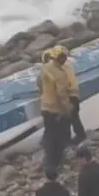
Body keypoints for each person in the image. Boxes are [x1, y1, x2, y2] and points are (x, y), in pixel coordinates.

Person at [37, 46, 73, 175]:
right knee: (59, 136)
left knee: (49, 135)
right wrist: (68, 108)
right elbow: (61, 94)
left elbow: (40, 84)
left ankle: (49, 162)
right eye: (64, 58)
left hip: (45, 107)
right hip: (56, 110)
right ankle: (55, 161)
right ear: (60, 58)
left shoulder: (45, 68)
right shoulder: (59, 73)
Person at [50, 45, 88, 147]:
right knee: (71, 118)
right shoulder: (64, 66)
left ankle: (77, 136)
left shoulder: (62, 67)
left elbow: (66, 84)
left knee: (70, 118)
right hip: (71, 95)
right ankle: (78, 135)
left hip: (70, 96)